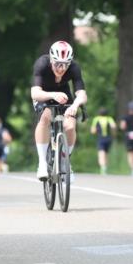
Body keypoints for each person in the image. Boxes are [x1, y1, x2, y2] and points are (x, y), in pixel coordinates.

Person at [31, 40, 87, 180]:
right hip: (44, 93)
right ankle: (42, 163)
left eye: (65, 64)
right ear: (51, 60)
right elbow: (35, 93)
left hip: (63, 94)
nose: (61, 68)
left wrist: (74, 106)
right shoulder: (42, 64)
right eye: (57, 64)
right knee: (45, 117)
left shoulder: (74, 68)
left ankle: (65, 161)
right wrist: (52, 95)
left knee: (70, 125)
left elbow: (82, 94)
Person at [90, 108, 116, 175]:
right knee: (106, 153)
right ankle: (105, 167)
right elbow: (113, 126)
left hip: (101, 138)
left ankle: (103, 168)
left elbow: (93, 131)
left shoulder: (96, 119)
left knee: (101, 153)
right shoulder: (109, 118)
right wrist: (113, 134)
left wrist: (96, 131)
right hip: (108, 138)